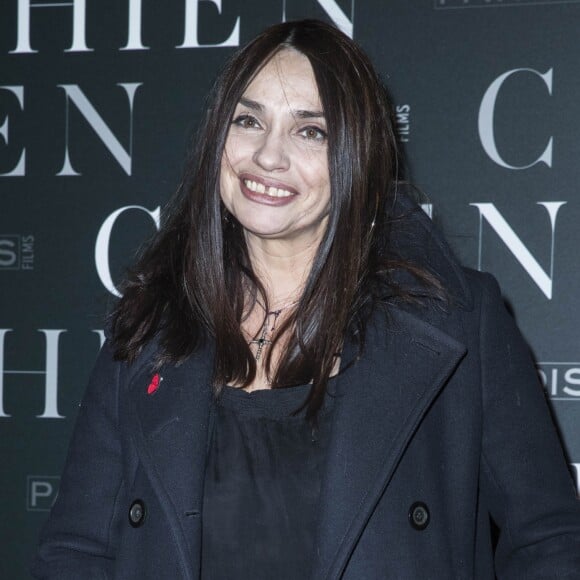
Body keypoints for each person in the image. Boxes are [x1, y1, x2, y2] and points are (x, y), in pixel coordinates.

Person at [32, 19, 580, 579]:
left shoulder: (461, 321)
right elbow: (77, 551)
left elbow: (549, 540)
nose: (268, 156)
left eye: (310, 131)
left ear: (356, 156)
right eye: (248, 120)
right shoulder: (150, 327)